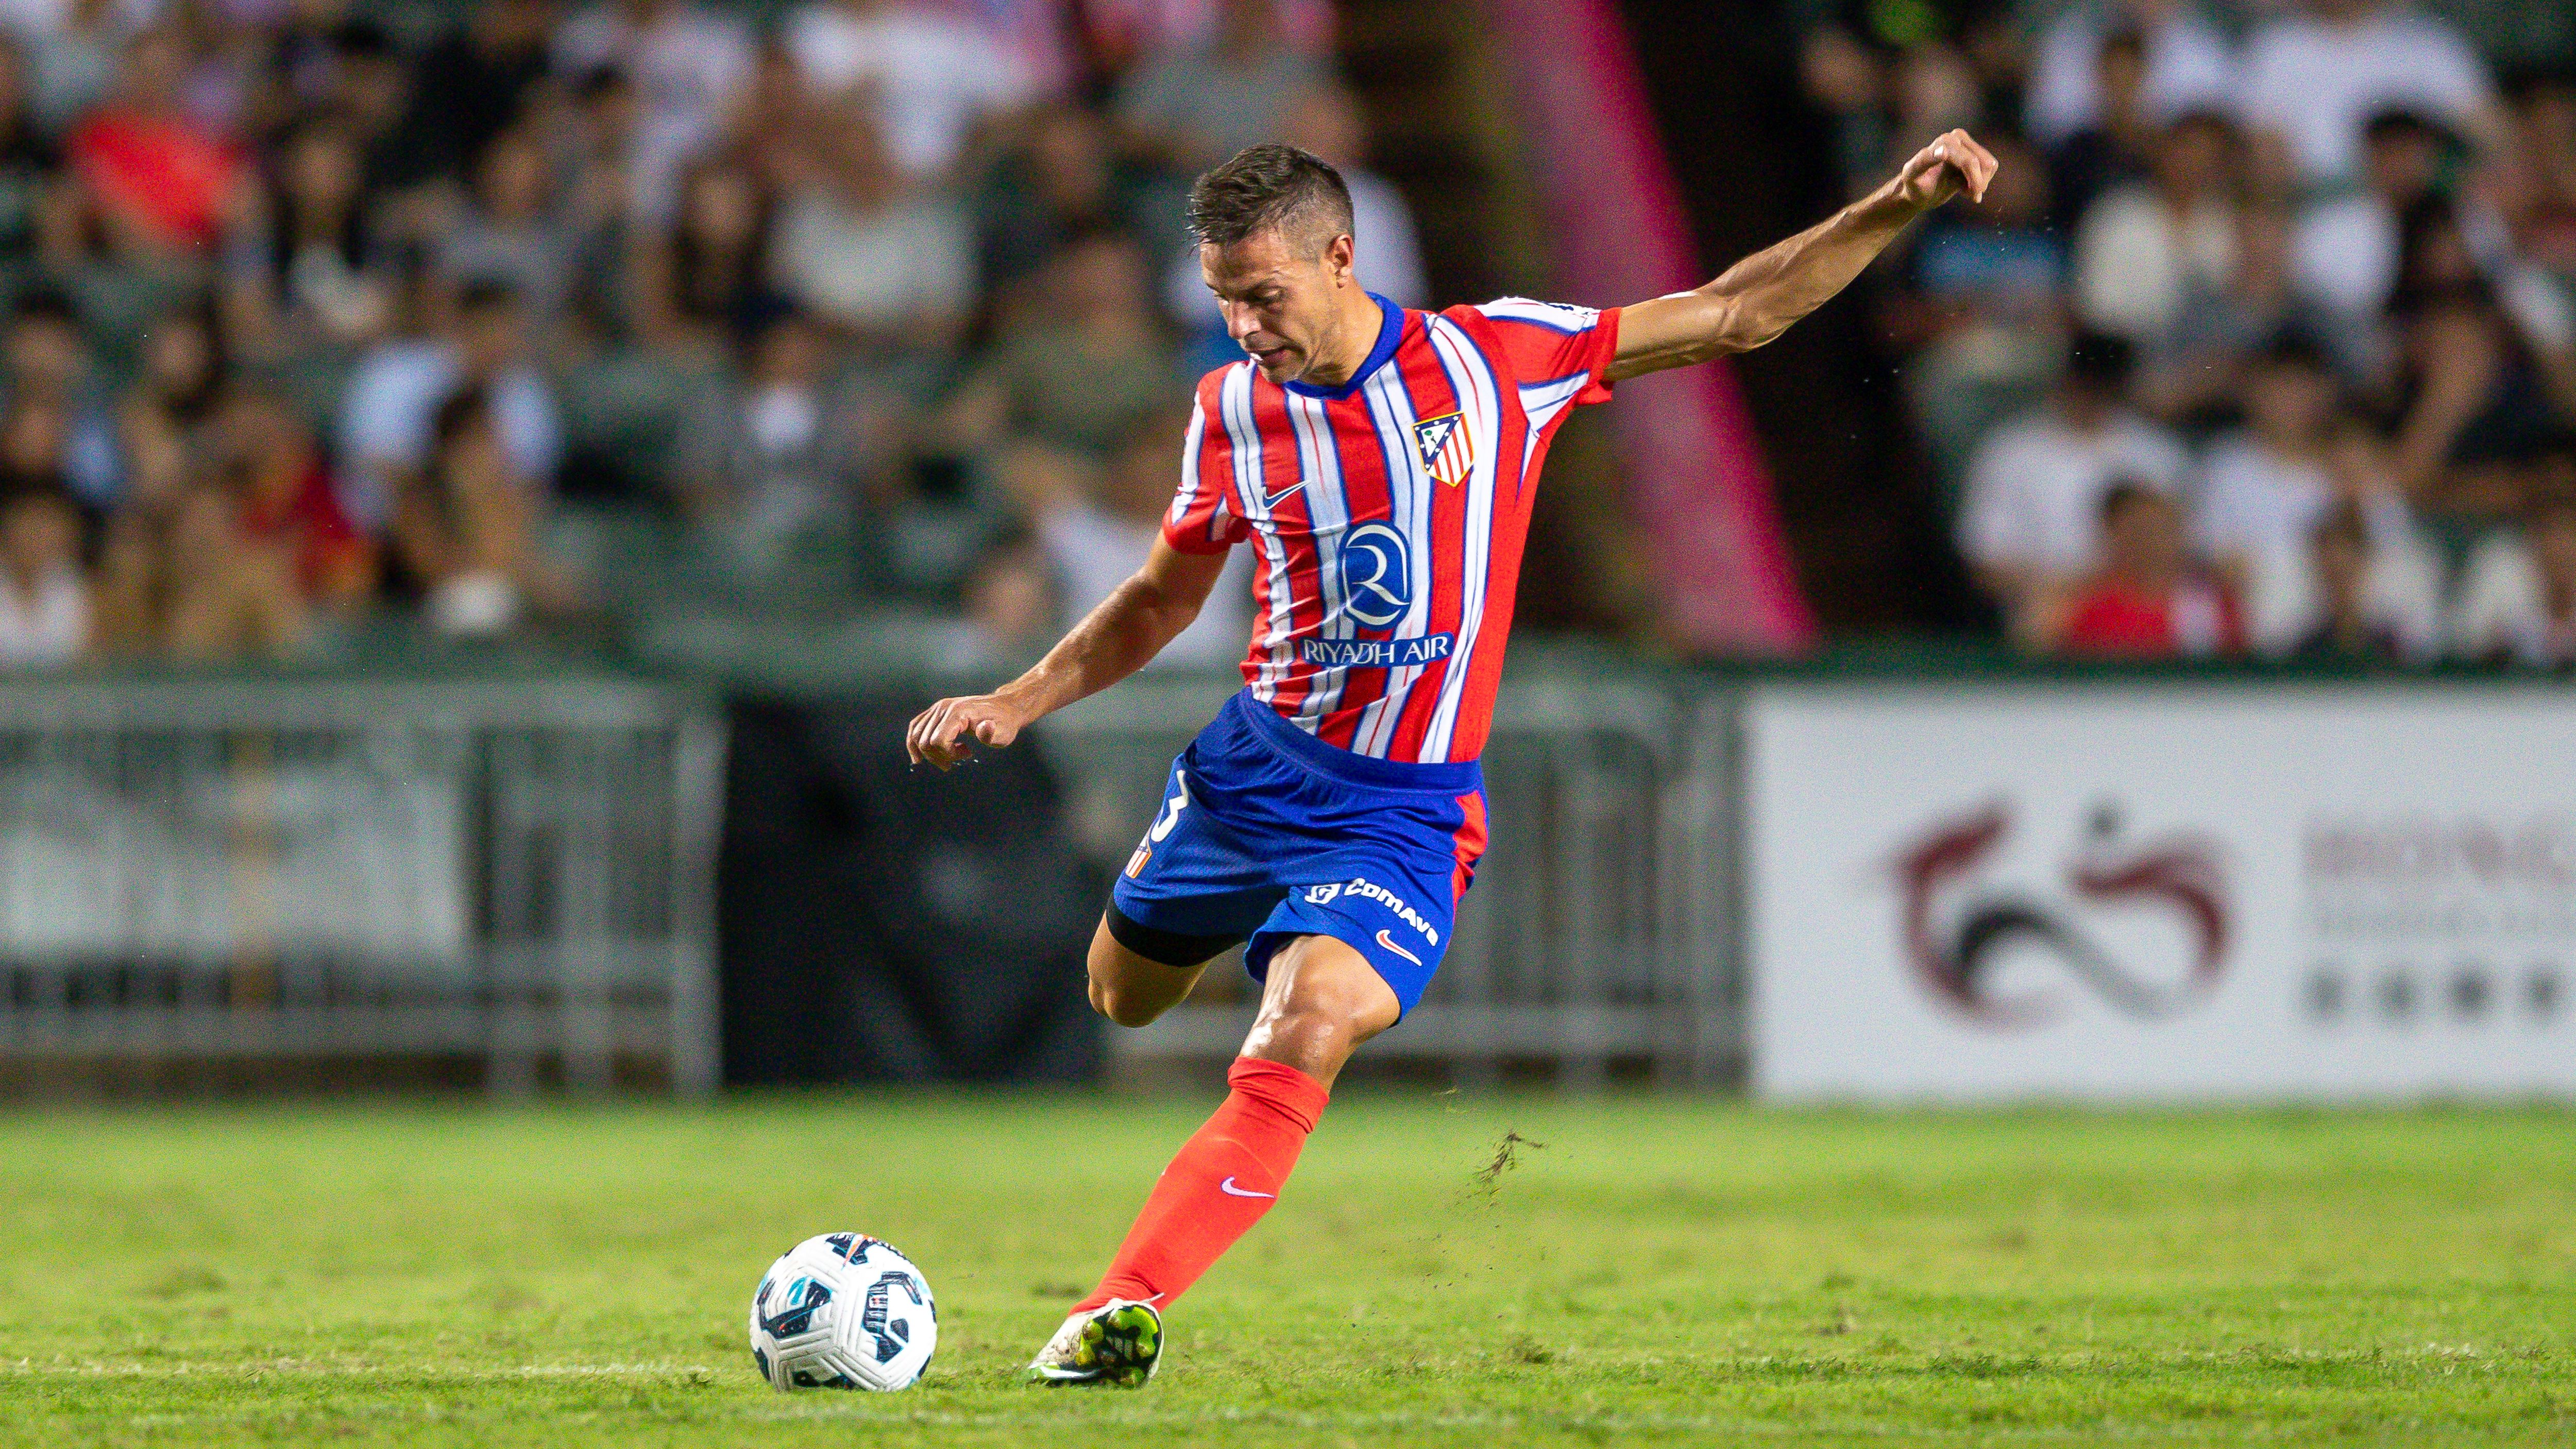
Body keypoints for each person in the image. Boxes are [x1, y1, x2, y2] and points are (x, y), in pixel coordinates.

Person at [906, 129, 2003, 1385]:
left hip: (1402, 812)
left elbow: (1734, 313)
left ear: (1339, 256)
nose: (1244, 327)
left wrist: (1890, 204)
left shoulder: (1493, 359)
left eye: (1262, 294)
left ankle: (1119, 1307)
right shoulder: (1230, 411)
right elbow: (1163, 594)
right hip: (1250, 774)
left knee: (1308, 1020)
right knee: (1121, 993)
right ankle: (1239, 940)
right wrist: (1017, 697)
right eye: (1222, 300)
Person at [2045, 481, 2244, 658]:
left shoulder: (2209, 601)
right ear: (2119, 537)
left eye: (2161, 530)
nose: (2153, 542)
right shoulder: (2096, 606)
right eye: (2141, 531)